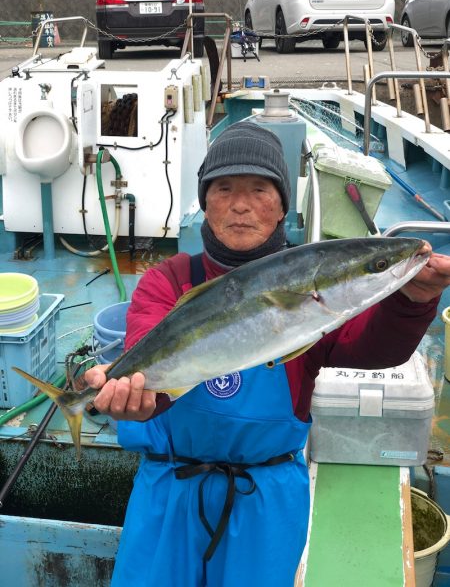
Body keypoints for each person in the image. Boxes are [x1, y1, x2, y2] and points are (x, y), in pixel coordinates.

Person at [85, 122, 450, 587]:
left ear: (282, 206)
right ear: (204, 201)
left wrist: (410, 300)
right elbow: (150, 356)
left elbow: (372, 348)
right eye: (224, 189)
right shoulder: (169, 280)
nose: (240, 204)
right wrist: (135, 400)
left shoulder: (314, 279)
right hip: (169, 493)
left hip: (266, 498)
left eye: (260, 189)